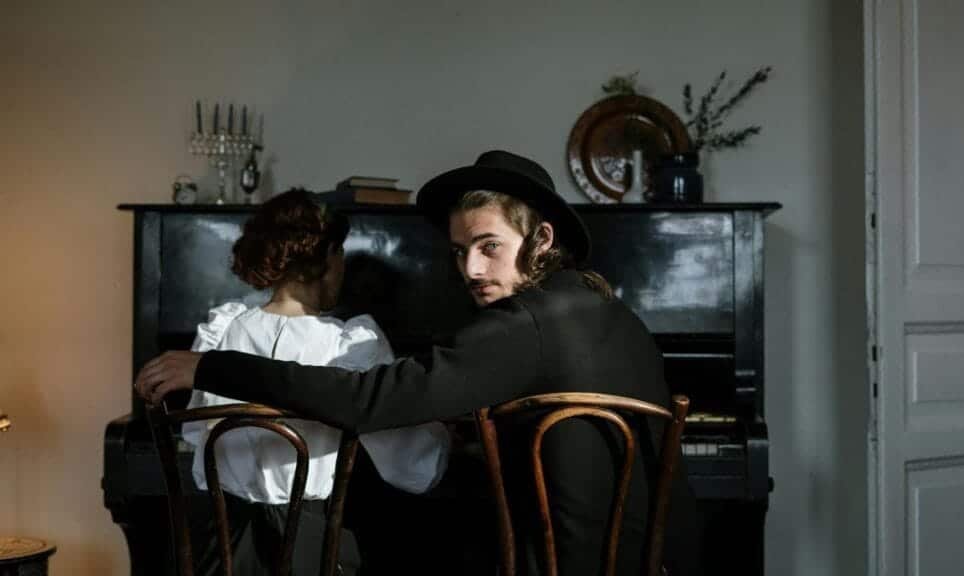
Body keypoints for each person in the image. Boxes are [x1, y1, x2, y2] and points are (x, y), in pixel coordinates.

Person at [136, 151, 700, 575]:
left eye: (489, 246)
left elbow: (369, 399)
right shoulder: (604, 306)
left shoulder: (523, 321)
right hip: (654, 554)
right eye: (459, 252)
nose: (472, 270)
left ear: (542, 238)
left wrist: (210, 367)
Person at [180, 188, 449, 575]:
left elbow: (194, 437)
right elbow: (407, 459)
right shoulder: (349, 344)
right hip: (310, 549)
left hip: (221, 544)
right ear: (327, 257)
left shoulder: (222, 331)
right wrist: (445, 439)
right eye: (339, 254)